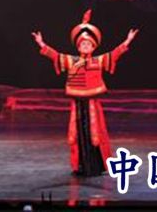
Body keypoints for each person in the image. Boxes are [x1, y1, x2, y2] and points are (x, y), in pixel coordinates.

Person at [31, 10, 138, 177]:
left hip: (92, 103)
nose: (86, 46)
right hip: (78, 104)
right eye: (83, 44)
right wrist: (41, 43)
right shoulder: (72, 61)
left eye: (88, 44)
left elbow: (115, 54)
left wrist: (128, 40)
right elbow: (55, 56)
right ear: (78, 46)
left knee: (95, 133)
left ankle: (95, 166)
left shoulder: (98, 61)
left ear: (93, 47)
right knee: (78, 134)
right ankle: (80, 165)